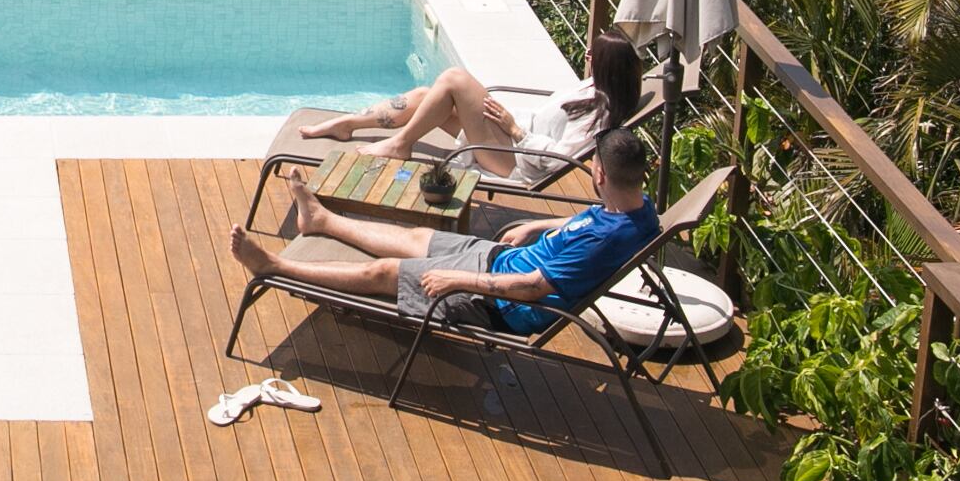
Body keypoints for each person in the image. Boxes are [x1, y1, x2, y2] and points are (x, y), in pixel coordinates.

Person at [226, 126, 661, 333]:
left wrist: (458, 279)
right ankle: (322, 220)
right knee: (417, 237)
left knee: (384, 271)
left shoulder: (603, 239)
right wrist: (538, 224)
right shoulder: (639, 211)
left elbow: (531, 288)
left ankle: (275, 266)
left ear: (599, 173)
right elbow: (586, 220)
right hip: (501, 261)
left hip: (499, 300)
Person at [300, 31, 643, 184]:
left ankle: (399, 145)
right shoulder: (593, 89)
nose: (587, 55)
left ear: (608, 67)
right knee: (425, 94)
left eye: (594, 54)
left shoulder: (599, 114)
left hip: (514, 161)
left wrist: (514, 130)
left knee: (454, 79)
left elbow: (559, 160)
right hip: (511, 141)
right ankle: (349, 123)